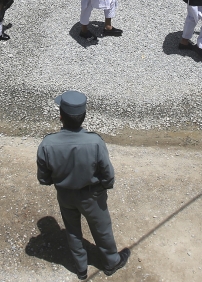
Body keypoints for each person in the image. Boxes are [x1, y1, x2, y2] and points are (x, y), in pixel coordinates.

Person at [37, 91, 131, 280]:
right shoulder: (95, 142)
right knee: (102, 228)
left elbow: (44, 178)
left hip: (65, 195)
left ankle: (81, 268)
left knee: (72, 231)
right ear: (84, 116)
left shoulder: (47, 144)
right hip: (92, 196)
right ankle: (111, 262)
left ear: (61, 116)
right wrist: (104, 187)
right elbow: (108, 174)